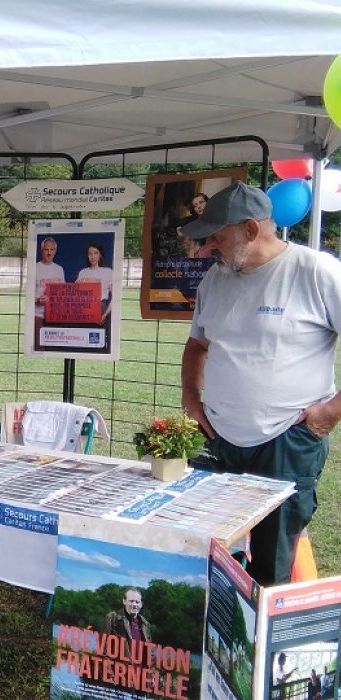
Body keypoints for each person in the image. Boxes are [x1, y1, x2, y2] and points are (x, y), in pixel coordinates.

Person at [180, 181, 341, 585]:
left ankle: (265, 646)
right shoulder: (214, 281)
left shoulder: (316, 272)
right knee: (207, 556)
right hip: (220, 438)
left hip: (287, 440)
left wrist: (329, 414)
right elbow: (197, 345)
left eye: (216, 237)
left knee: (271, 568)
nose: (206, 248)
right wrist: (191, 399)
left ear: (251, 230)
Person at [33, 236, 66, 350]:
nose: (49, 253)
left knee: (55, 350)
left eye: (52, 250)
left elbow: (64, 293)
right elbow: (27, 295)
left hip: (55, 316)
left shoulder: (59, 269)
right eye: (46, 250)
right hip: (38, 315)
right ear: (42, 251)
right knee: (39, 349)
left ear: (55, 251)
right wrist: (37, 300)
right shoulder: (34, 268)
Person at [76, 241, 114, 324]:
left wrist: (105, 314)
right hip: (82, 308)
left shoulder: (107, 272)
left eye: (96, 253)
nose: (93, 257)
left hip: (99, 307)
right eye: (90, 254)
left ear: (100, 255)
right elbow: (74, 293)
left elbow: (116, 297)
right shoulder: (82, 272)